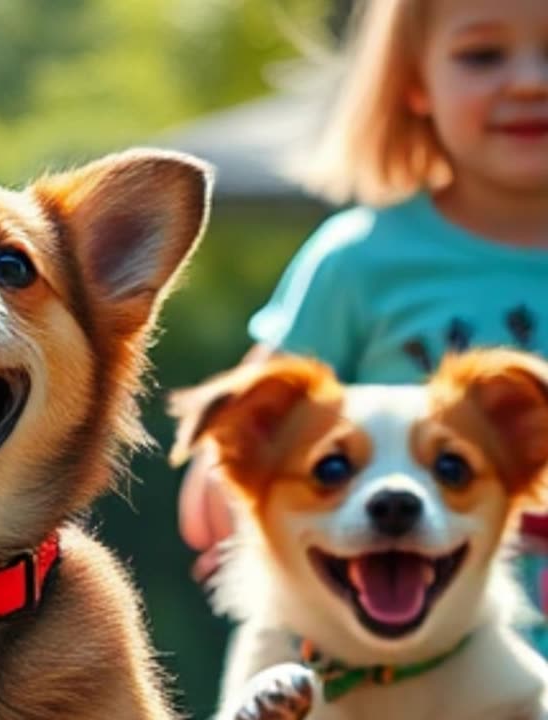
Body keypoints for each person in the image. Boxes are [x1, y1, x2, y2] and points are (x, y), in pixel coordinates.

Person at [179, 0, 548, 650]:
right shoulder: (359, 260)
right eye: (482, 55)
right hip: (385, 679)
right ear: (412, 80)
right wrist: (253, 510)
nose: (529, 81)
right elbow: (229, 457)